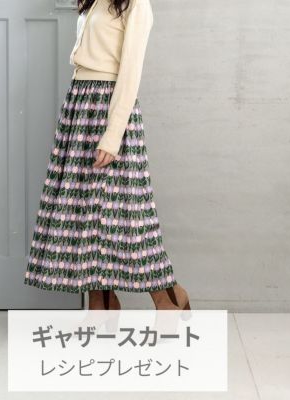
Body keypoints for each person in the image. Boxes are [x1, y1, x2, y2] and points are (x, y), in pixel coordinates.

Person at [24, 0, 191, 311]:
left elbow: (131, 72)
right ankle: (101, 304)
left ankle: (168, 296)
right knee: (84, 213)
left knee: (128, 214)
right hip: (80, 105)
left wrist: (113, 135)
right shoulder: (93, 1)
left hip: (110, 107)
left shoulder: (136, 4)